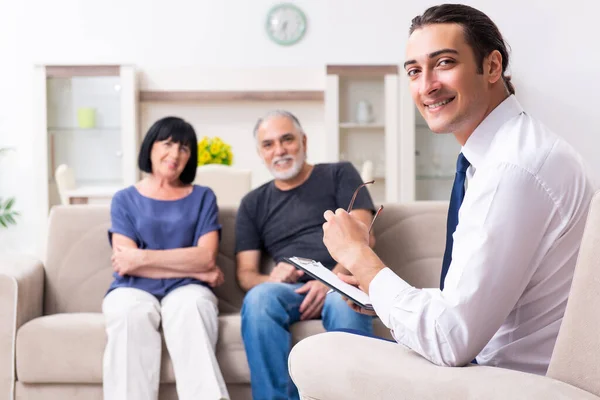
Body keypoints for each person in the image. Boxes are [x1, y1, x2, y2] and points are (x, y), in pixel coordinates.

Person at [319, 3, 596, 376]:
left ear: (493, 67)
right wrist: (377, 289)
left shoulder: (511, 169)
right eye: (414, 71)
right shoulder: (504, 153)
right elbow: (469, 306)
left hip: (511, 382)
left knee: (319, 356)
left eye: (445, 63)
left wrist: (357, 255)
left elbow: (449, 339)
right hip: (492, 365)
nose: (427, 86)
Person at [235, 110, 377, 400]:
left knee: (342, 304)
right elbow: (246, 274)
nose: (279, 150)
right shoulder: (252, 203)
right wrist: (269, 277)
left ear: (303, 141)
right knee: (259, 299)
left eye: (287, 139)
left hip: (341, 280)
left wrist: (330, 281)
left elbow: (364, 236)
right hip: (289, 289)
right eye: (269, 144)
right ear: (260, 153)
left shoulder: (339, 173)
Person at [102, 116, 230, 400]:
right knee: (128, 313)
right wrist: (195, 270)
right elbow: (125, 262)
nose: (175, 154)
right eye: (168, 144)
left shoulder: (203, 197)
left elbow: (206, 257)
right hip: (132, 287)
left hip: (187, 289)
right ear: (151, 147)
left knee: (192, 306)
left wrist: (143, 257)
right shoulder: (124, 199)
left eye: (184, 148)